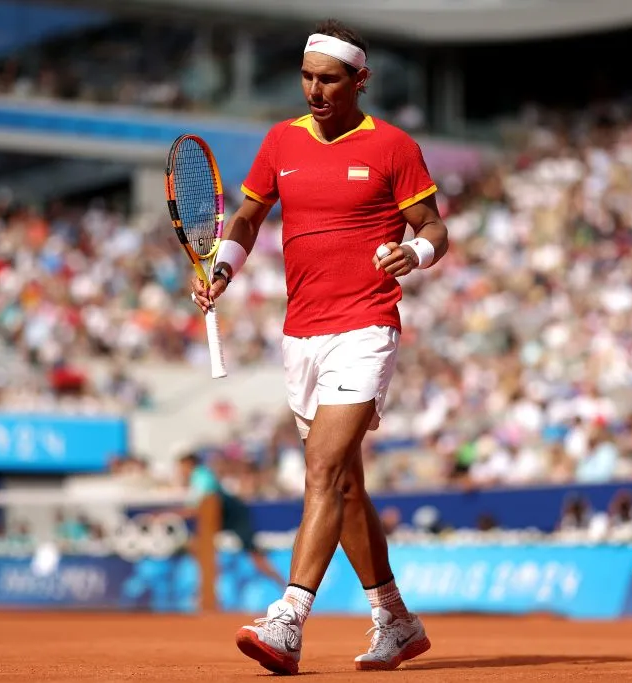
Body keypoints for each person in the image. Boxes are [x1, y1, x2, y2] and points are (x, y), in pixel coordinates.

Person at [190, 18, 448, 675]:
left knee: (324, 472)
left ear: (359, 80)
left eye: (328, 79)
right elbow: (247, 217)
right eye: (307, 76)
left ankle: (289, 619)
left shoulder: (393, 146)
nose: (314, 89)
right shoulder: (280, 142)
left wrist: (412, 253)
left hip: (366, 325)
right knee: (349, 489)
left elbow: (435, 228)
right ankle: (395, 618)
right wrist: (223, 267)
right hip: (300, 333)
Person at [172, 453, 285, 588]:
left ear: (189, 464)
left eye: (181, 467)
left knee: (255, 555)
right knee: (195, 545)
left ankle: (283, 585)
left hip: (234, 516)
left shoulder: (202, 477)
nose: (180, 471)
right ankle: (211, 580)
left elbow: (202, 506)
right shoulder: (197, 478)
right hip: (222, 517)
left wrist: (170, 515)